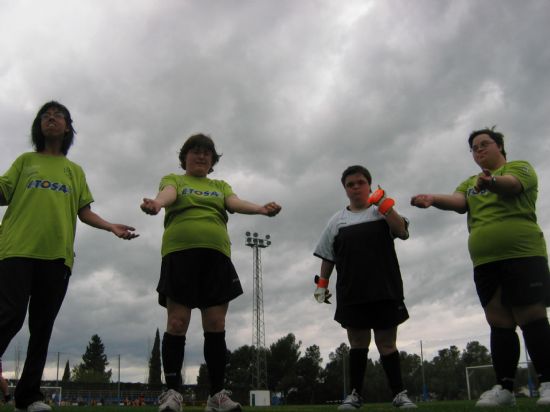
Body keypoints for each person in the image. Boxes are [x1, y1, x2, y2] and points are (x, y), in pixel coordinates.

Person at [0, 101, 139, 412]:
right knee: (8, 317)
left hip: (57, 258)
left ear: (67, 128)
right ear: (39, 126)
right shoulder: (25, 161)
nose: (51, 118)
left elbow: (84, 211)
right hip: (16, 251)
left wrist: (111, 227)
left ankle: (28, 397)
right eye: (45, 116)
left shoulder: (74, 171)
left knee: (42, 326)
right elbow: (3, 192)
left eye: (58, 115)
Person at [141, 133, 281, 412]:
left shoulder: (220, 185)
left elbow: (234, 203)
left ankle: (217, 396)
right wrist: (157, 204)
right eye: (195, 151)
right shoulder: (175, 179)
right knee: (177, 323)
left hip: (216, 258)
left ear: (213, 160)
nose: (201, 156)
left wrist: (261, 210)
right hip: (180, 255)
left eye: (207, 153)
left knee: (216, 325)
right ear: (185, 157)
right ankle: (171, 394)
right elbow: (168, 194)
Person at [411, 127, 550, 407]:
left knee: (530, 316)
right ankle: (505, 389)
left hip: (523, 254)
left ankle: (548, 382)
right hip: (485, 262)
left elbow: (510, 184)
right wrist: (433, 199)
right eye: (474, 148)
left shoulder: (520, 168)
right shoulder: (470, 183)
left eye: (484, 144)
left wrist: (491, 183)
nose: (479, 150)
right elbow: (459, 202)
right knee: (499, 322)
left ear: (499, 146)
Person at [313, 165, 417, 410]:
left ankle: (400, 395)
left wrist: (385, 205)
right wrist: (322, 285)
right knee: (358, 344)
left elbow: (401, 231)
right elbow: (328, 256)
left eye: (360, 182)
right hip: (352, 293)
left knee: (387, 344)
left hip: (385, 289)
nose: (356, 187)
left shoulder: (381, 213)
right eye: (351, 184)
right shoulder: (337, 221)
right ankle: (355, 395)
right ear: (345, 189)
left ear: (370, 185)